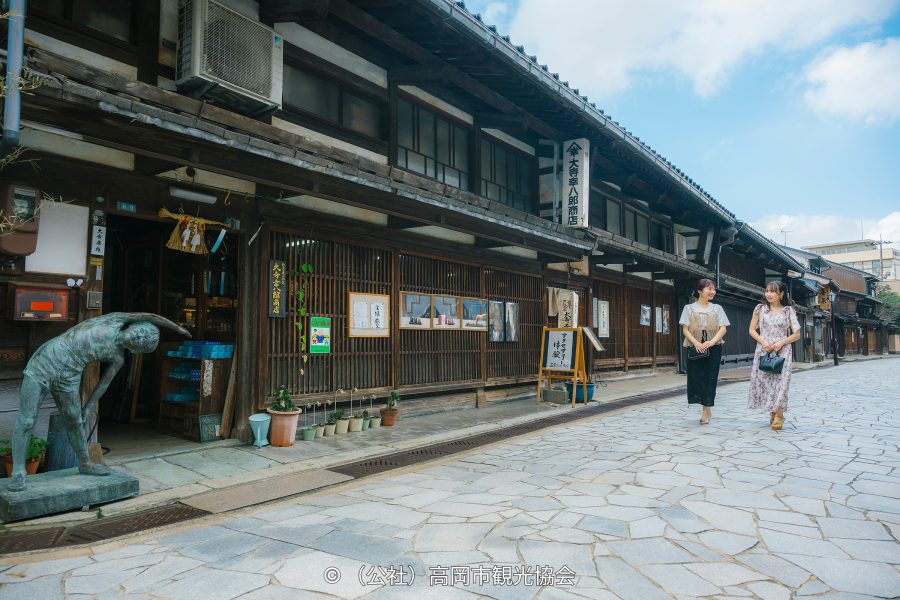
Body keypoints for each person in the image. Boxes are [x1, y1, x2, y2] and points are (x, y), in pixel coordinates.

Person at [9, 312, 190, 491]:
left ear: (136, 350)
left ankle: (85, 463)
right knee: (26, 420)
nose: (139, 336)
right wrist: (176, 328)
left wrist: (88, 407)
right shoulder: (112, 320)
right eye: (142, 331)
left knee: (75, 420)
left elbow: (103, 385)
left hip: (70, 375)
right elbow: (150, 316)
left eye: (143, 341)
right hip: (48, 359)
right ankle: (18, 472)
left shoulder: (117, 358)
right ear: (134, 325)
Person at [747, 281, 801, 430]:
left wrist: (782, 342)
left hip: (783, 351)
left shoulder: (788, 311)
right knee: (767, 382)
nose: (769, 294)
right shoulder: (760, 309)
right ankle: (772, 410)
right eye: (767, 291)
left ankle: (779, 415)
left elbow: (797, 334)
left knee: (782, 382)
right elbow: (751, 330)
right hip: (764, 349)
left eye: (773, 292)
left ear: (781, 294)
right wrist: (763, 342)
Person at [679, 278, 730, 424]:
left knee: (710, 378)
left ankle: (706, 410)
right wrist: (696, 343)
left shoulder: (717, 308)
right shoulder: (689, 308)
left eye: (714, 289)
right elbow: (685, 329)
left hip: (713, 346)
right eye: (709, 288)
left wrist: (711, 342)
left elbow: (723, 328)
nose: (712, 292)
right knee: (696, 377)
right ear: (700, 291)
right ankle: (703, 403)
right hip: (694, 346)